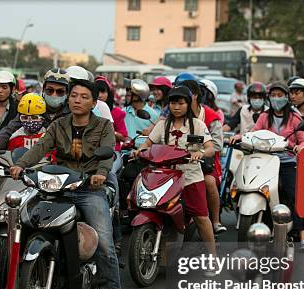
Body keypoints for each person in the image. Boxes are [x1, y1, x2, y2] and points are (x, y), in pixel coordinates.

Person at [9, 76, 132, 289]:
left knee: (105, 243)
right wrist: (20, 165)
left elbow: (107, 156)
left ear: (93, 102)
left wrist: (99, 174)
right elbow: (40, 148)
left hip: (89, 187)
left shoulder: (104, 127)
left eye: (84, 97)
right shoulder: (59, 124)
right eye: (74, 95)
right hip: (59, 186)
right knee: (28, 222)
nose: (77, 100)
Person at [134, 85, 218, 255]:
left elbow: (211, 148)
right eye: (173, 103)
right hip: (166, 178)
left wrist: (199, 153)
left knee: (201, 217)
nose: (176, 107)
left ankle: (213, 256)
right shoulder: (163, 125)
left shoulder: (198, 125)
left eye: (181, 103)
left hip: (191, 178)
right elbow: (148, 143)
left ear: (188, 104)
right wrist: (139, 150)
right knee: (159, 212)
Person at [232, 81, 304, 250]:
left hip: (288, 161)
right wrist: (240, 137)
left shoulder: (295, 118)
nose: (276, 98)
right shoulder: (264, 117)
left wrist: (299, 148)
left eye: (280, 95)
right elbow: (253, 133)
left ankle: (302, 234)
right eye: (273, 95)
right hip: (265, 159)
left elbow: (303, 141)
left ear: (287, 97)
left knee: (294, 194)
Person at [176, 74, 225, 234]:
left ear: (195, 95)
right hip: (178, 162)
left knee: (209, 182)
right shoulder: (174, 115)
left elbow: (217, 145)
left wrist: (200, 152)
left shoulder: (211, 117)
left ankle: (215, 221)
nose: (178, 103)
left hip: (206, 165)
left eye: (184, 96)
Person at [0, 68, 71, 155]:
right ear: (43, 90)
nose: (54, 95)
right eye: (50, 90)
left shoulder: (72, 112)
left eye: (60, 91)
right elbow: (10, 129)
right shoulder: (32, 105)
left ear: (67, 93)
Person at [95, 75, 128, 150]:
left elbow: (123, 137)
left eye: (103, 92)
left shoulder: (117, 112)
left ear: (109, 93)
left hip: (112, 152)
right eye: (97, 92)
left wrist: (109, 131)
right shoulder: (87, 110)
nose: (99, 95)